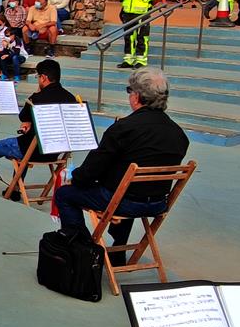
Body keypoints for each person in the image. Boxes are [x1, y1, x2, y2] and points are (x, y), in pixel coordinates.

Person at [52, 69, 188, 235]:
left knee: (64, 194)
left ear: (137, 96)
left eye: (129, 91)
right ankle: (117, 250)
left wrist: (75, 180)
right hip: (158, 202)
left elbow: (93, 168)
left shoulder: (124, 128)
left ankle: (81, 245)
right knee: (127, 184)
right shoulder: (179, 133)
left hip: (125, 201)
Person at [0, 59, 76, 191]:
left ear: (44, 78)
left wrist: (36, 94)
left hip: (33, 151)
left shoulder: (38, 98)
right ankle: (15, 189)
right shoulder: (70, 98)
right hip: (55, 152)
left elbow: (23, 116)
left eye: (38, 77)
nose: (38, 80)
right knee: (25, 144)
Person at [119, 0, 161, 67]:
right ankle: (128, 59)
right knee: (128, 37)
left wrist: (148, 6)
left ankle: (141, 60)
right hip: (128, 13)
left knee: (142, 37)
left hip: (142, 13)